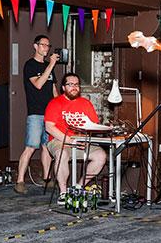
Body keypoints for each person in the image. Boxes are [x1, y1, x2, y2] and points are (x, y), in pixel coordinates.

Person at [44, 73, 107, 204]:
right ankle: (63, 192)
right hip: (59, 140)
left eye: (76, 84)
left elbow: (93, 126)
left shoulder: (86, 103)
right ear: (63, 87)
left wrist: (101, 131)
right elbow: (49, 127)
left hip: (81, 142)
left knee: (101, 156)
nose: (74, 87)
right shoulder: (55, 103)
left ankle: (78, 187)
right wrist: (70, 141)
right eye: (70, 84)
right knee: (62, 154)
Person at [14, 35, 59, 195]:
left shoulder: (49, 66)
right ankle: (19, 181)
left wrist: (59, 106)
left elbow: (53, 89)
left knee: (47, 146)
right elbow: (39, 84)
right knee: (31, 147)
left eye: (48, 45)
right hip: (35, 113)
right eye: (43, 45)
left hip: (50, 114)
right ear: (35, 46)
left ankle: (47, 178)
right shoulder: (30, 65)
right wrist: (52, 64)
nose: (46, 48)